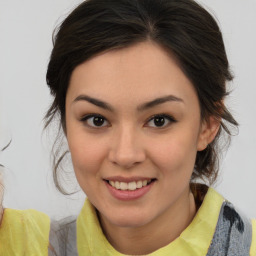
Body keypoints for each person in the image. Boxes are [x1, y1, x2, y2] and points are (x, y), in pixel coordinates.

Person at [0, 0, 255, 255]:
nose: (125, 155)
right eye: (96, 120)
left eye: (159, 120)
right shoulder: (16, 244)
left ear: (208, 125)